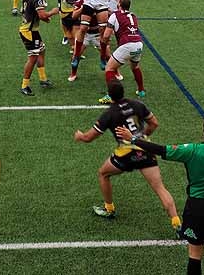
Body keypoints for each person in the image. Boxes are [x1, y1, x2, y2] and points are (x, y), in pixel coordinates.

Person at [117, 69, 204, 275]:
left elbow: (159, 149)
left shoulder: (191, 151)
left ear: (203, 131)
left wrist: (132, 139)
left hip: (197, 207)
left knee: (194, 255)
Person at [73, 81, 181, 233]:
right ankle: (177, 224)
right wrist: (142, 137)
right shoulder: (137, 104)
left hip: (126, 154)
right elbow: (154, 123)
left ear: (110, 96)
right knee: (159, 188)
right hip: (144, 149)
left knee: (103, 174)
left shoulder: (109, 113)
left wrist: (80, 136)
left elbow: (90, 137)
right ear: (123, 92)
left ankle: (109, 209)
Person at [19, 0, 59, 96]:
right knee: (33, 58)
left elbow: (30, 12)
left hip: (30, 30)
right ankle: (25, 85)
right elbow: (41, 15)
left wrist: (44, 18)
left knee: (41, 50)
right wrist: (52, 12)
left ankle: (43, 79)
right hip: (29, 32)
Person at [99, 0, 145, 101]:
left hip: (127, 44)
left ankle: (111, 96)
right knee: (135, 67)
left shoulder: (115, 15)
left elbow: (106, 36)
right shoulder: (133, 15)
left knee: (109, 69)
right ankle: (141, 90)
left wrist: (102, 51)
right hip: (138, 44)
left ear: (119, 4)